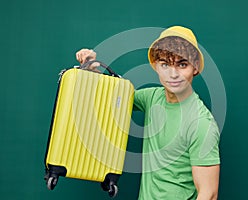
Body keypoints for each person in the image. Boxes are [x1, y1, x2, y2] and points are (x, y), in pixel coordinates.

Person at [76, 26, 220, 200]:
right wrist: (92, 71)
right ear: (156, 67)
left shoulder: (201, 123)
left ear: (195, 68)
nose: (173, 74)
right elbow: (114, 96)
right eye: (165, 64)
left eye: (182, 64)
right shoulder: (152, 98)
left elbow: (209, 194)